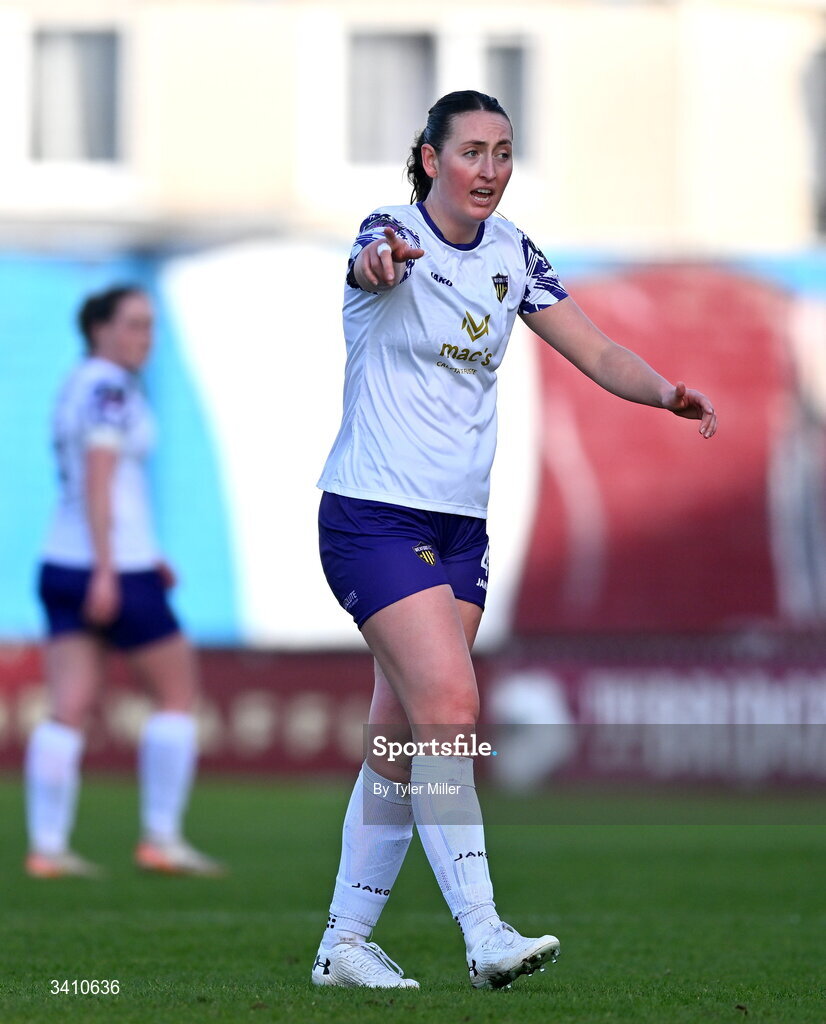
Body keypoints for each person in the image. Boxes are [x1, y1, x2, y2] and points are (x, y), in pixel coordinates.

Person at [313, 90, 717, 991]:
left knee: (402, 735)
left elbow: (596, 349)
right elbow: (371, 266)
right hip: (372, 515)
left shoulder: (513, 253)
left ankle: (344, 942)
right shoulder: (390, 230)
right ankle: (484, 930)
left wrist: (662, 392)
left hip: (458, 531)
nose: (489, 169)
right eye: (471, 152)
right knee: (451, 708)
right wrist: (381, 264)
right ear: (430, 159)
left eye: (503, 152)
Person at [24, 285, 224, 879]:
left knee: (68, 708)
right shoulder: (111, 388)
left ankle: (48, 848)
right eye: (135, 324)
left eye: (151, 325)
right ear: (100, 330)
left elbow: (103, 485)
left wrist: (149, 551)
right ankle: (161, 838)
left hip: (61, 562)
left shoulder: (76, 383)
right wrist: (112, 568)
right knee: (177, 693)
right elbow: (100, 476)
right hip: (110, 569)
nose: (146, 337)